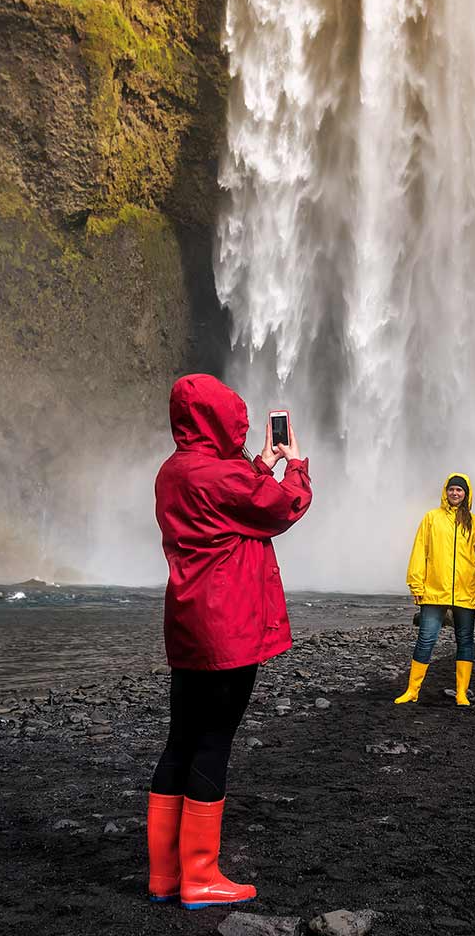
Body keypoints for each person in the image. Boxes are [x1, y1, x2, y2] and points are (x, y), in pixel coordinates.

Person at [148, 374, 311, 909]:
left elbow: (235, 500)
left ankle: (165, 875)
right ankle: (202, 877)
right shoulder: (220, 478)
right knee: (215, 740)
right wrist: (296, 465)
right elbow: (280, 507)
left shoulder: (174, 472)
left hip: (190, 624)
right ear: (219, 420)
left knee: (180, 739)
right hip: (230, 627)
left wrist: (259, 463)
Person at [395, 473, 475, 706]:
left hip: (465, 590)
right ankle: (412, 690)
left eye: (459, 490)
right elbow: (420, 550)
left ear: (466, 494)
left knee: (465, 640)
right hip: (434, 590)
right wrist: (416, 582)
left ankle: (461, 692)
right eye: (451, 489)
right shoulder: (431, 518)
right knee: (425, 639)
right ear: (445, 492)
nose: (455, 493)